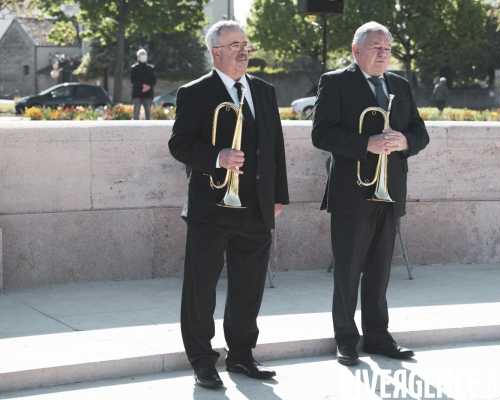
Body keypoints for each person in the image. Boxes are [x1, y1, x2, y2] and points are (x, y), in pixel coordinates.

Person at [168, 21, 289, 389]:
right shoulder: (195, 92)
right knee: (201, 288)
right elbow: (180, 144)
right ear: (215, 52)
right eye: (235, 44)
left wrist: (278, 196)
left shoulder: (264, 91)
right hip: (212, 205)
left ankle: (241, 355)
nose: (243, 50)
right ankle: (203, 361)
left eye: (246, 44)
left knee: (249, 285)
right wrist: (218, 156)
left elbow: (275, 147)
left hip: (255, 206)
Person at [312, 21, 429, 366]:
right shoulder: (334, 82)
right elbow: (321, 134)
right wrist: (368, 144)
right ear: (356, 50)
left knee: (380, 270)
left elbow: (420, 131)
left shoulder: (400, 84)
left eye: (387, 48)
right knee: (348, 269)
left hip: (390, 189)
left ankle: (378, 336)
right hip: (352, 191)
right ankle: (346, 339)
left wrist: (405, 141)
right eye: (376, 47)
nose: (382, 54)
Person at [130, 49, 157, 120]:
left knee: (148, 111)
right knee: (136, 111)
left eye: (144, 55)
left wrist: (148, 86)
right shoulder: (134, 68)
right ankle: (134, 128)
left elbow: (154, 80)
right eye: (141, 55)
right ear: (138, 56)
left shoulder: (150, 68)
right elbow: (133, 79)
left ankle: (149, 129)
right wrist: (142, 85)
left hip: (148, 93)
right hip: (137, 93)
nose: (143, 56)